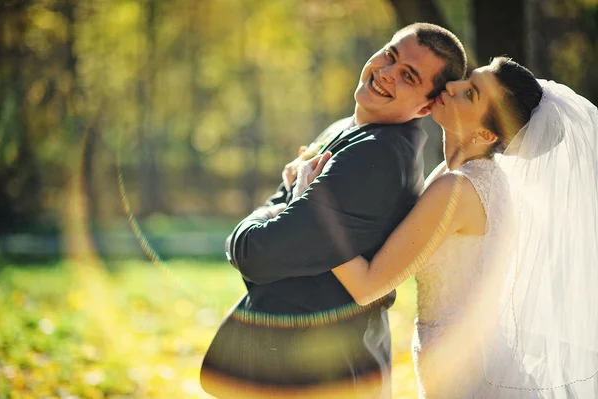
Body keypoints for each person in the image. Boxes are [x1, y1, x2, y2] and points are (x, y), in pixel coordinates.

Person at [294, 57, 598, 398]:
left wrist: (311, 200)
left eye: (470, 94)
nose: (451, 86)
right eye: (467, 80)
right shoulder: (471, 178)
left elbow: (367, 286)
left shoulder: (457, 189)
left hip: (465, 377)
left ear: (485, 133)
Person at [200, 23, 467, 398]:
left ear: (425, 105)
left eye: (407, 76)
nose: (386, 73)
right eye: (390, 55)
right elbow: (283, 206)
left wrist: (270, 211)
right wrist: (289, 200)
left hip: (314, 373)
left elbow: (256, 253)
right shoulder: (348, 127)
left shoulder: (375, 157)